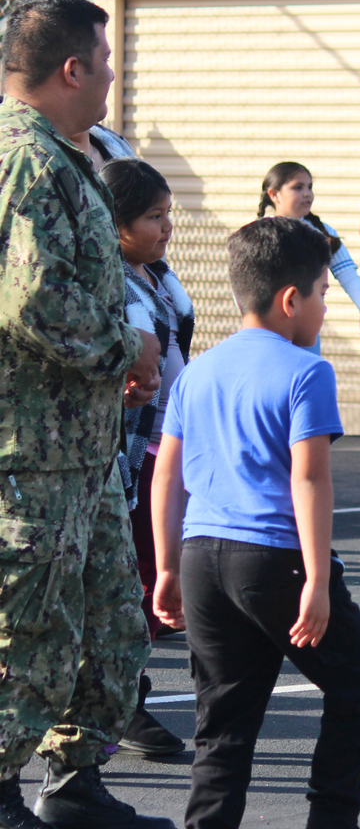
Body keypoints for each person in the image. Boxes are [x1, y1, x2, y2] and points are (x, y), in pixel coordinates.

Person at [151, 217, 360, 829]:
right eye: (322, 295)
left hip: (202, 557)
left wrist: (168, 567)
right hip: (276, 560)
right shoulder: (308, 372)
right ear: (291, 300)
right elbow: (308, 479)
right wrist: (316, 579)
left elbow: (167, 478)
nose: (325, 306)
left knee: (223, 727)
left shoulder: (197, 371)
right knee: (359, 689)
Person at [0, 0, 174, 828]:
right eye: (102, 62)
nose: (110, 76)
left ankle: (75, 783)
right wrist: (124, 347)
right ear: (72, 69)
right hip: (31, 456)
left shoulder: (66, 154)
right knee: (29, 632)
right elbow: (33, 301)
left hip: (82, 447)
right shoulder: (25, 158)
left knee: (109, 623)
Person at [99, 156, 194, 757]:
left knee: (127, 587)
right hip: (123, 456)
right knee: (120, 587)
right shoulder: (111, 280)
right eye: (153, 217)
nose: (165, 228)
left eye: (167, 215)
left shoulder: (154, 275)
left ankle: (118, 702)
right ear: (115, 223)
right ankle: (121, 706)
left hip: (159, 447)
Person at [258, 161, 360, 353]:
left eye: (309, 187)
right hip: (268, 331)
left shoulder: (322, 232)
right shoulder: (259, 234)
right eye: (298, 187)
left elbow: (347, 273)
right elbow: (244, 283)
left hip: (306, 330)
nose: (307, 193)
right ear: (274, 194)